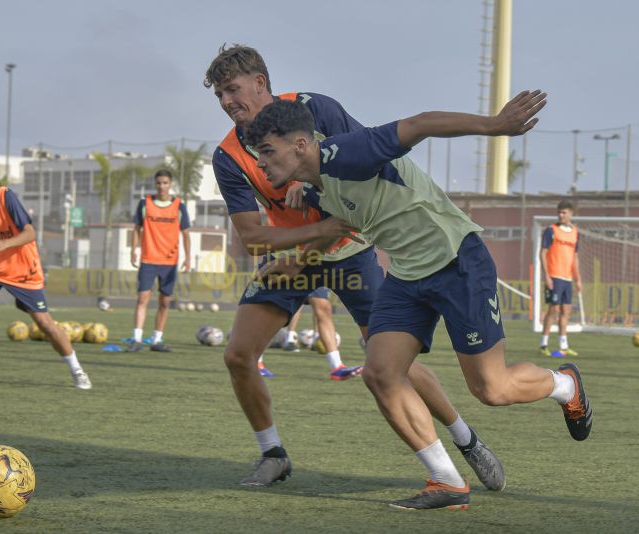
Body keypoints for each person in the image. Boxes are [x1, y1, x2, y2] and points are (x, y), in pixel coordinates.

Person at [246, 93, 592, 510]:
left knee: (491, 389)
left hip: (456, 260)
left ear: (300, 145)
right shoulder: (315, 188)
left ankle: (564, 383)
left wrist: (495, 125)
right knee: (380, 371)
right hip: (407, 275)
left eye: (267, 151)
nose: (261, 163)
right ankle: (446, 481)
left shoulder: (349, 151)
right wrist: (297, 264)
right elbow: (339, 229)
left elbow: (421, 123)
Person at [204, 44, 505, 491]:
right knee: (237, 354)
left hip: (351, 249)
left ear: (260, 83)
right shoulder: (228, 156)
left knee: (388, 360)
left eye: (233, 89)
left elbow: (366, 186)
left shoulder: (316, 109)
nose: (228, 102)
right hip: (293, 258)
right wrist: (304, 248)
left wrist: (314, 228)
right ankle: (273, 454)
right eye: (220, 96)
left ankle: (467, 440)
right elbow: (251, 236)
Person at [0, 154, 91, 390]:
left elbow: (30, 233)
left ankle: (77, 369)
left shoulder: (5, 196)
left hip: (22, 267)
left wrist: (4, 244)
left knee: (45, 324)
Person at [126, 169, 191, 352]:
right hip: (149, 259)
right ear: (155, 184)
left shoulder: (179, 206)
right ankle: (136, 339)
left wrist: (187, 259)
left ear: (170, 184)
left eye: (165, 183)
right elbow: (136, 229)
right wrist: (133, 250)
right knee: (142, 298)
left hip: (170, 262)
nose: (162, 186)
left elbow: (186, 235)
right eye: (158, 183)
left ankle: (157, 340)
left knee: (164, 302)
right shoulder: (145, 203)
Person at [258, 288, 363, 380]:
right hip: (290, 268)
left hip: (315, 268)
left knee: (324, 307)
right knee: (274, 309)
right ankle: (257, 363)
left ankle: (337, 367)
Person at [539, 200, 582, 357]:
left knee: (566, 311)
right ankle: (543, 344)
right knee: (553, 310)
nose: (561, 215)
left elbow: (575, 257)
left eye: (564, 212)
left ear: (571, 214)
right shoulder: (551, 230)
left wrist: (578, 279)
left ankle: (564, 345)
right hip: (554, 276)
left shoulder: (575, 232)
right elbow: (542, 253)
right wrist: (547, 276)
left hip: (568, 278)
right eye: (559, 212)